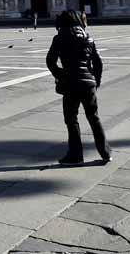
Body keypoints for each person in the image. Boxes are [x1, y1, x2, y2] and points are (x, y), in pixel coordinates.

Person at [46, 10, 110, 165]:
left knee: (71, 119)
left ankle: (75, 155)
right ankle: (105, 153)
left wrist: (61, 75)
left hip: (70, 84)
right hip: (88, 83)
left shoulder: (59, 38)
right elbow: (98, 63)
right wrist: (96, 80)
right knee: (94, 117)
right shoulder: (89, 38)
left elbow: (50, 61)